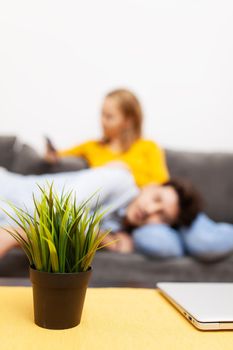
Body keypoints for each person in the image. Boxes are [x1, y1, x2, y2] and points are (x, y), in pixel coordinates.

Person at [1, 166, 233, 262]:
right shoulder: (119, 180)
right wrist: (17, 234)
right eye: (156, 199)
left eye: (161, 217)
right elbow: (55, 210)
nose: (150, 210)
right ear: (151, 186)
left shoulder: (122, 234)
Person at [45, 89, 169, 187]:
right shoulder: (92, 146)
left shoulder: (149, 147)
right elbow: (60, 155)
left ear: (128, 121)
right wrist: (51, 156)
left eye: (109, 117)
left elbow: (162, 184)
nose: (102, 121)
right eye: (102, 114)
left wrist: (126, 172)